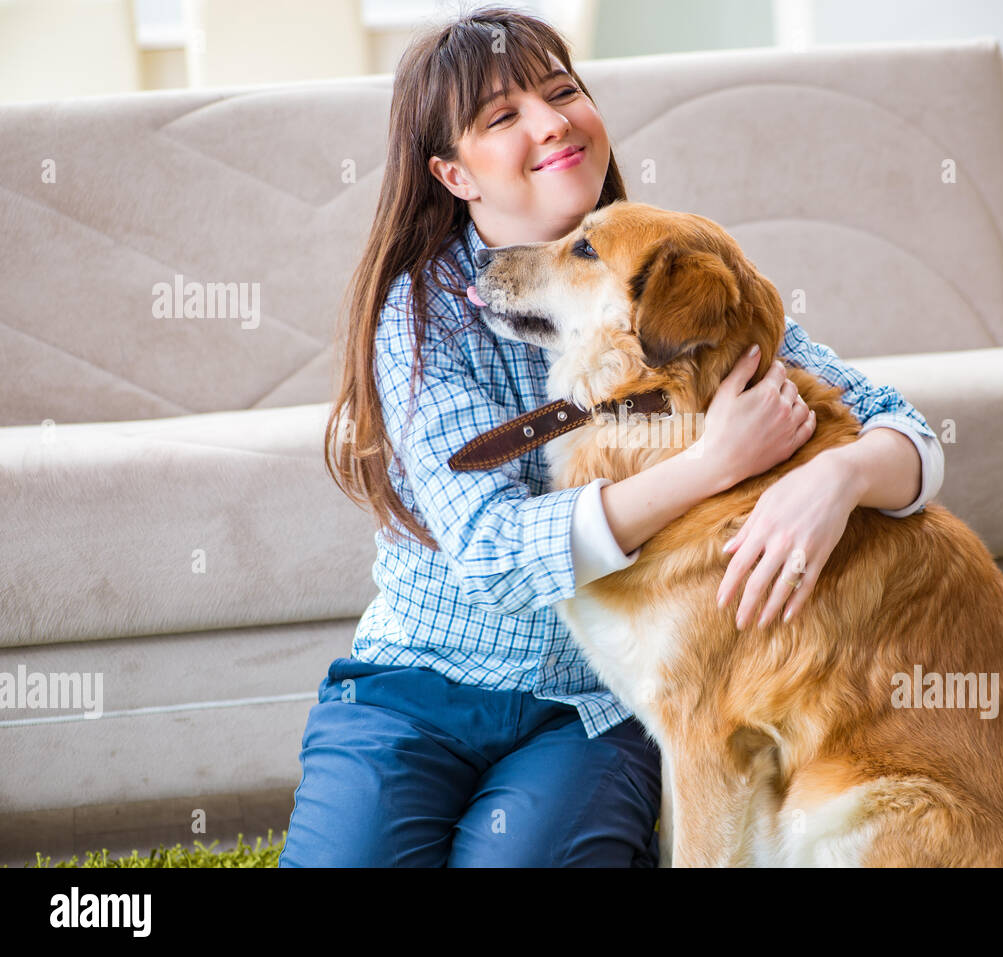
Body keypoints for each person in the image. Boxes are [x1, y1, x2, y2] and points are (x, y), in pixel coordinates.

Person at [279, 5, 944, 868]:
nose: (552, 121)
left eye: (562, 92)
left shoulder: (668, 263)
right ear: (454, 173)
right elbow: (492, 552)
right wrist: (715, 463)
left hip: (588, 709)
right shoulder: (422, 316)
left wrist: (842, 477)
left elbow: (907, 427)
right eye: (503, 115)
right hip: (416, 687)